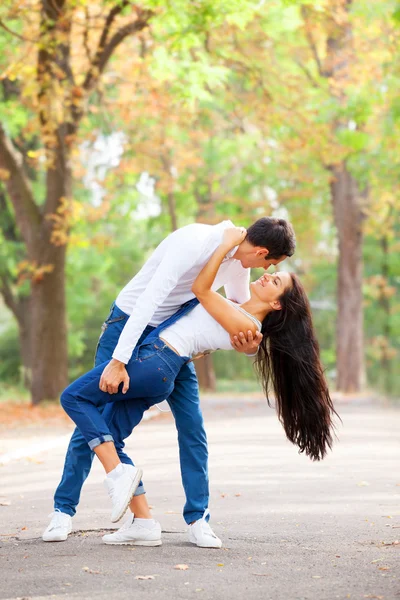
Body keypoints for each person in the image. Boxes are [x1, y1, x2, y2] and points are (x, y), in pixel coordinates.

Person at [59, 227, 337, 549]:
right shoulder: (241, 311)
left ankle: (134, 484)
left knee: (75, 398)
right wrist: (248, 346)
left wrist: (225, 246)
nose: (267, 275)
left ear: (277, 305)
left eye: (275, 281)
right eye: (272, 271)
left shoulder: (247, 325)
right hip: (157, 362)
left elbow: (201, 289)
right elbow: (218, 305)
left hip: (157, 362)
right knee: (112, 434)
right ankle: (144, 522)